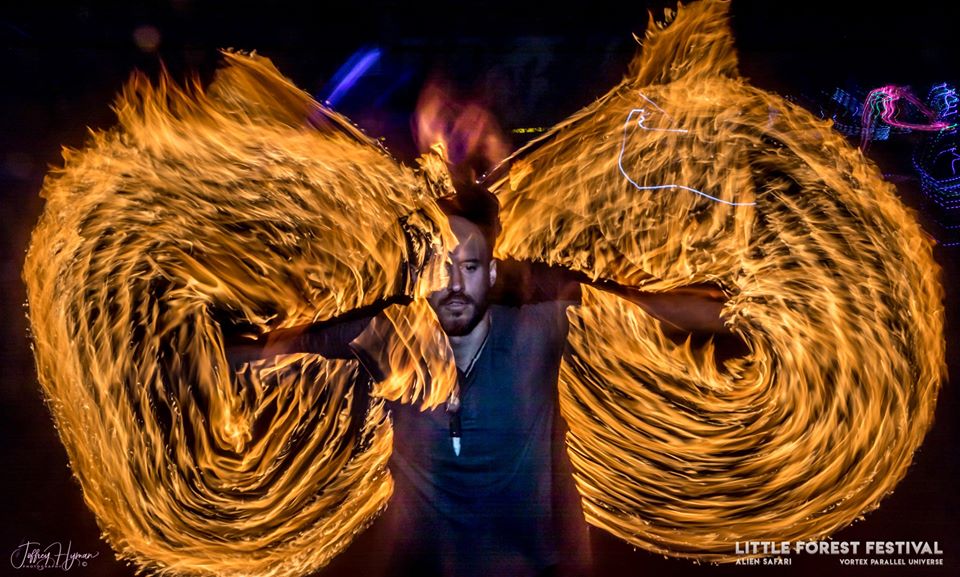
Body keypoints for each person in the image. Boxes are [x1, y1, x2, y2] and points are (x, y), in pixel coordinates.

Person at [226, 184, 731, 577]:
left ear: (489, 274)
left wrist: (743, 312)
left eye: (468, 267)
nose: (453, 285)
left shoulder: (537, 331)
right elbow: (275, 349)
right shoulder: (388, 337)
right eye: (440, 267)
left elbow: (646, 309)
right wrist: (203, 346)